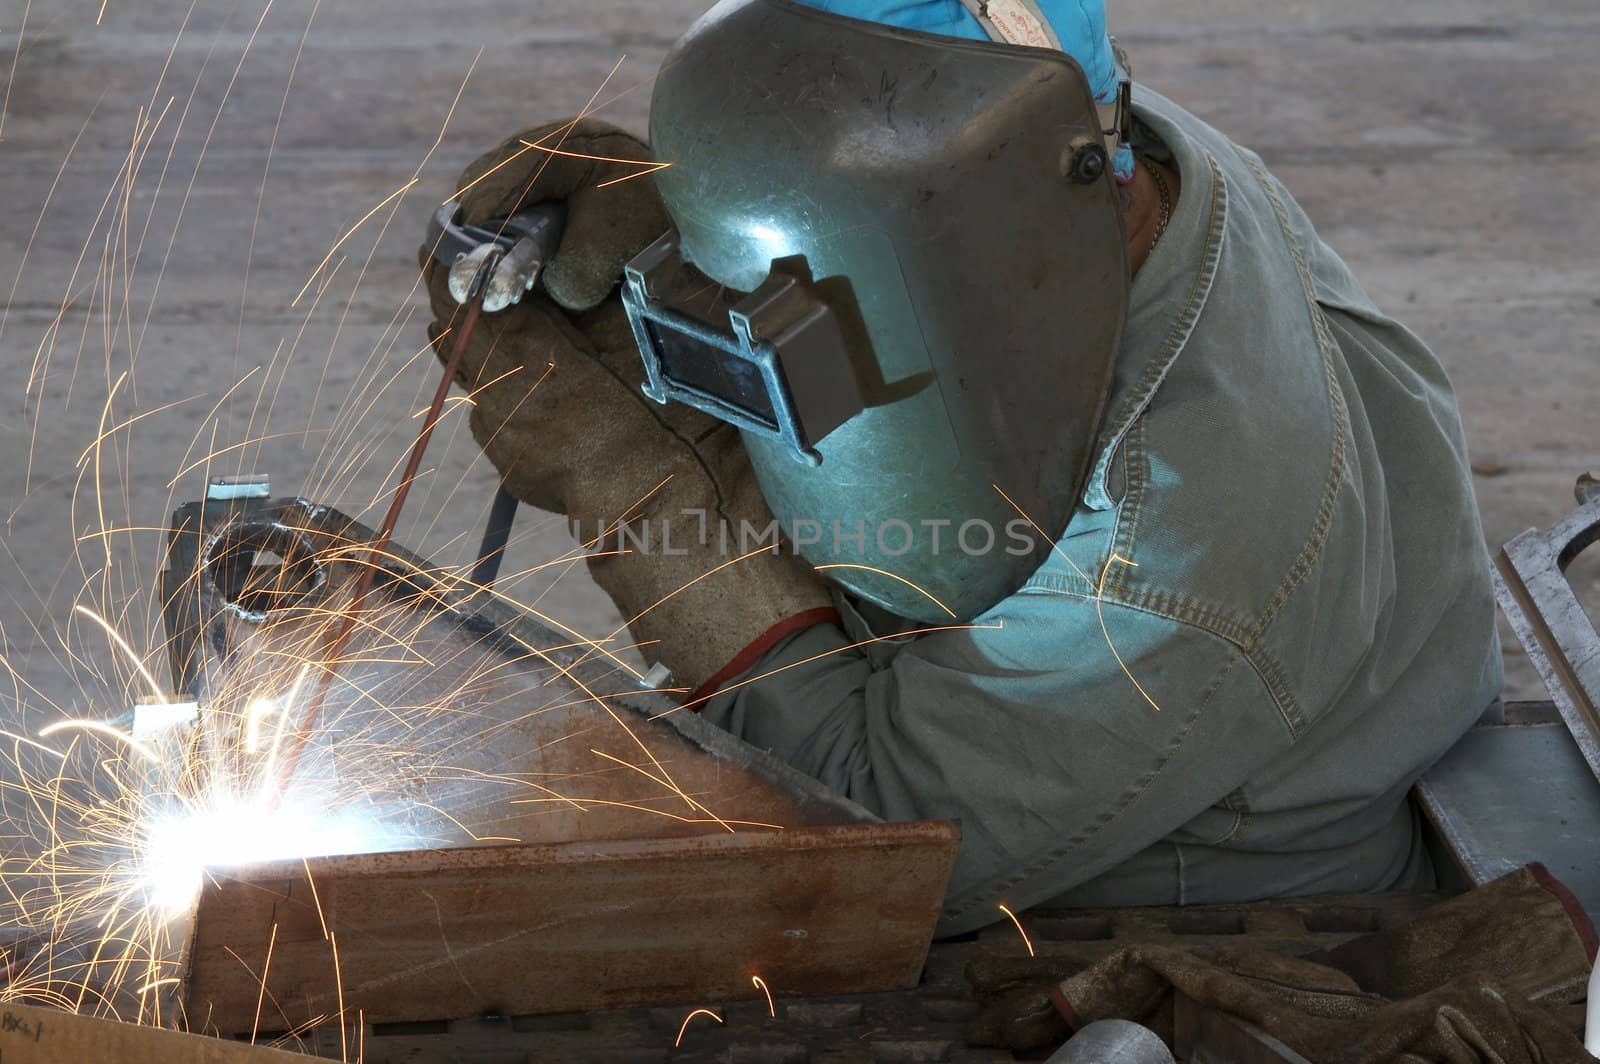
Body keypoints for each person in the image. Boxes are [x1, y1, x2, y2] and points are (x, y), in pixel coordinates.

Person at [418, 0, 1501, 935]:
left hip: (1184, 895)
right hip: (1147, 700)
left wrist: (638, 486)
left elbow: (868, 844)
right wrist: (696, 238)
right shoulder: (1108, 150)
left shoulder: (1160, 544)